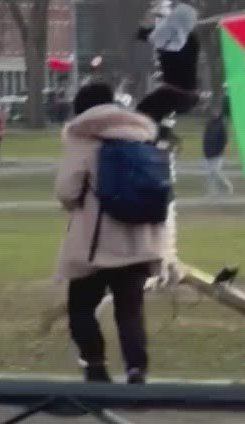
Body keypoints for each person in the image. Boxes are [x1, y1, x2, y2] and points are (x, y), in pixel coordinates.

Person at [55, 81, 167, 384]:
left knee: (81, 307)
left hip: (96, 244)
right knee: (130, 309)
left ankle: (95, 365)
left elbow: (66, 191)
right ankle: (136, 368)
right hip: (139, 241)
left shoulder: (84, 139)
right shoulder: (142, 137)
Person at [202, 101, 233, 197]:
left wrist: (219, 149)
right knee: (211, 174)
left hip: (216, 152)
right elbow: (206, 138)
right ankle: (213, 193)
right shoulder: (209, 124)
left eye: (210, 113)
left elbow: (225, 139)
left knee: (215, 172)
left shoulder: (221, 124)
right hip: (209, 152)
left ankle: (227, 187)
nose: (210, 115)